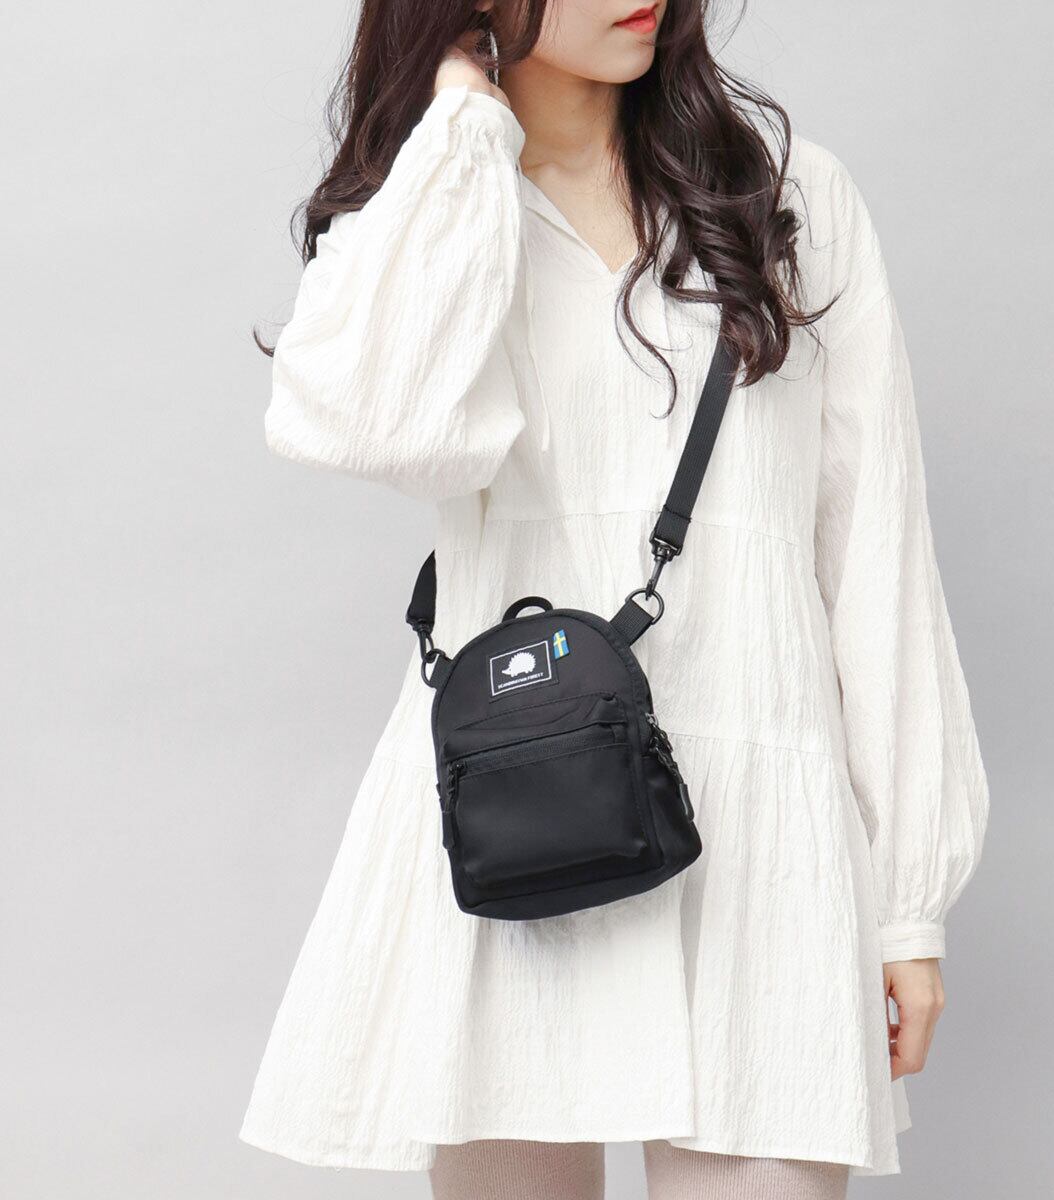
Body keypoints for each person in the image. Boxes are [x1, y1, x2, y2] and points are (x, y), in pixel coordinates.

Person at [239, 2, 990, 1197]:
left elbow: (874, 551)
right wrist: (464, 127)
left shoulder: (787, 199)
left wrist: (908, 905)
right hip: (516, 827)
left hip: (756, 839)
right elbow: (389, 434)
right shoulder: (435, 206)